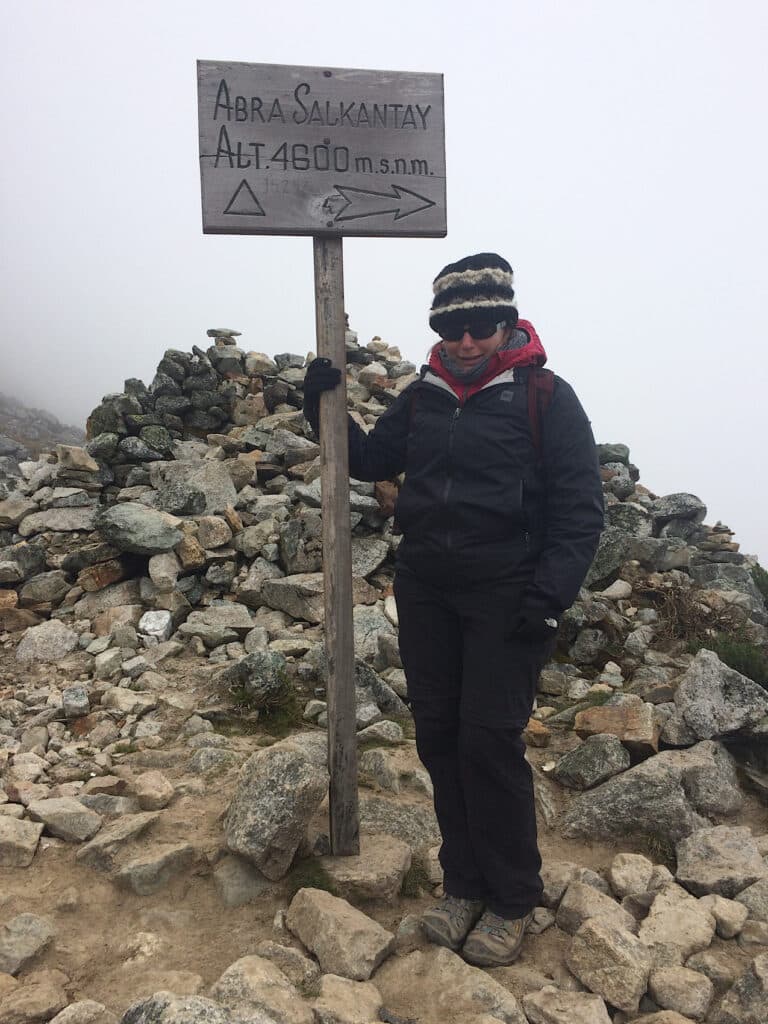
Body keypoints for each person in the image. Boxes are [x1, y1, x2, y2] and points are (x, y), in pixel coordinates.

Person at [303, 253, 604, 967]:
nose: (466, 341)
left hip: (509, 597)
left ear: (506, 322)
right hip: (429, 588)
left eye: (481, 326)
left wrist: (548, 599)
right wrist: (321, 406)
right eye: (452, 327)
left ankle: (512, 898)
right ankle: (464, 884)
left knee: (487, 742)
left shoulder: (546, 397)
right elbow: (371, 459)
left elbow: (581, 511)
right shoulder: (426, 393)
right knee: (438, 737)